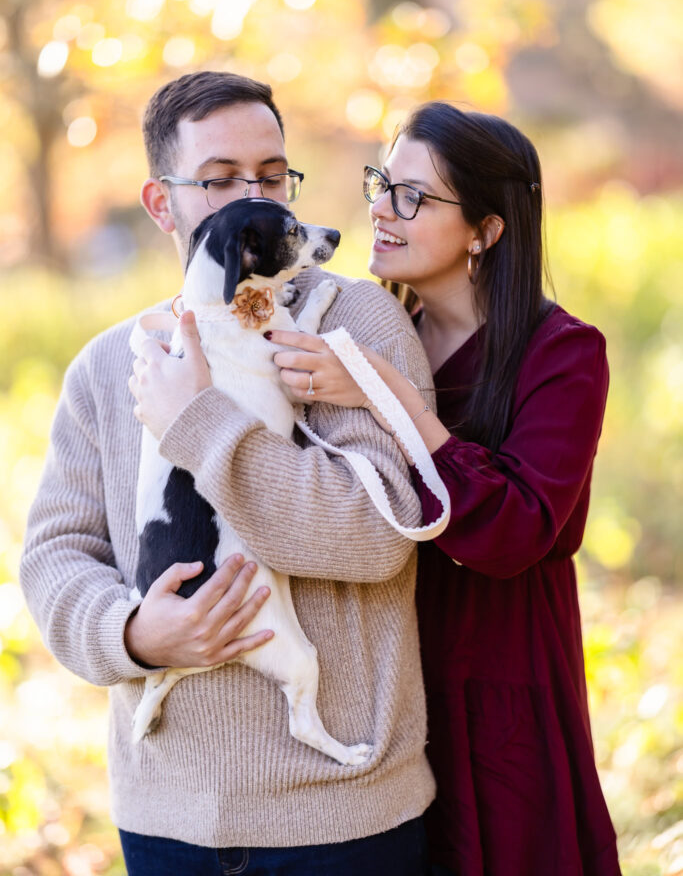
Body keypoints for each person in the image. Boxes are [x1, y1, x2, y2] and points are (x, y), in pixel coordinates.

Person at [20, 71, 437, 876]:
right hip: (165, 822)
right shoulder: (108, 365)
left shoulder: (352, 324)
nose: (257, 196)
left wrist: (201, 421)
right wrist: (135, 633)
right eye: (218, 181)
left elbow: (376, 533)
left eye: (273, 174)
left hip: (343, 816)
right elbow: (55, 556)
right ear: (160, 203)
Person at [267, 102, 623, 875]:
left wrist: (384, 393)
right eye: (379, 184)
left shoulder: (560, 355)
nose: (378, 211)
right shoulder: (361, 326)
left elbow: (516, 529)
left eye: (412, 197)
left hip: (500, 669)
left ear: (486, 230)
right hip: (380, 670)